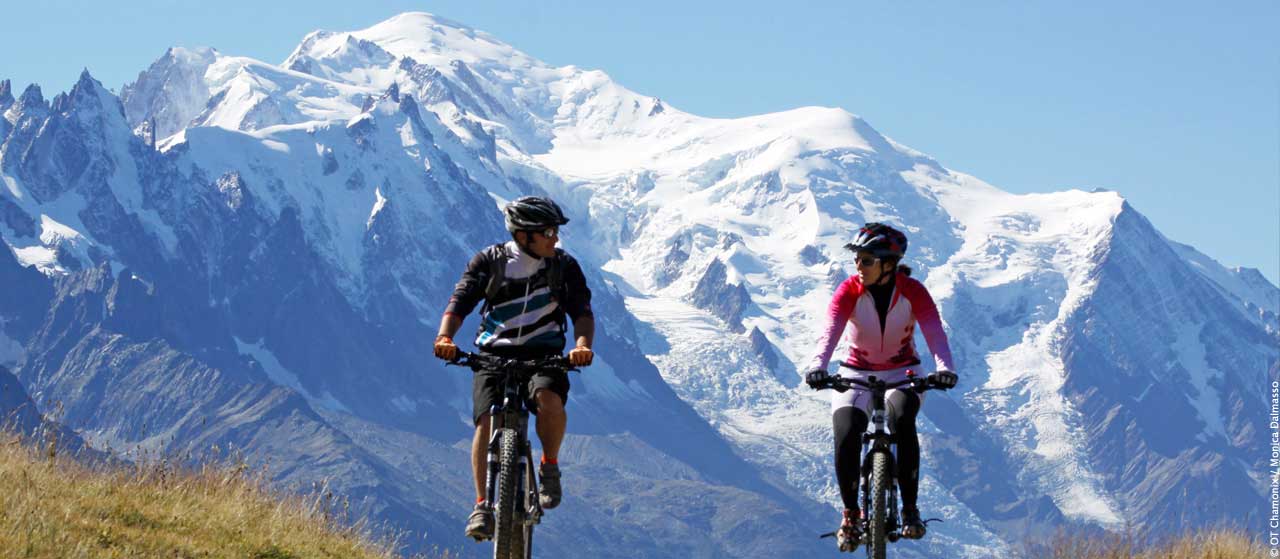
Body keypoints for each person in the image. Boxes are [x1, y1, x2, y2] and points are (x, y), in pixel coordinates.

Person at [433, 196, 595, 541]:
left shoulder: (564, 266)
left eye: (555, 231)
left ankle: (549, 466)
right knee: (486, 421)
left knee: (549, 400)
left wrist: (582, 345)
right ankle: (481, 505)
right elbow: (460, 301)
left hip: (545, 355)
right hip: (493, 354)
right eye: (547, 232)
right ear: (523, 236)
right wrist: (445, 337)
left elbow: (581, 310)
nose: (555, 238)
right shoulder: (490, 262)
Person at [803, 222, 958, 552]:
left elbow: (934, 332)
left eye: (867, 260)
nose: (859, 266)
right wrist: (818, 367)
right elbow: (830, 331)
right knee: (847, 432)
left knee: (903, 419)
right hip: (855, 373)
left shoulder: (913, 291)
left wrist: (945, 369)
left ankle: (910, 510)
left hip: (904, 372)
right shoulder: (849, 290)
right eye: (857, 259)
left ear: (889, 265)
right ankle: (850, 516)